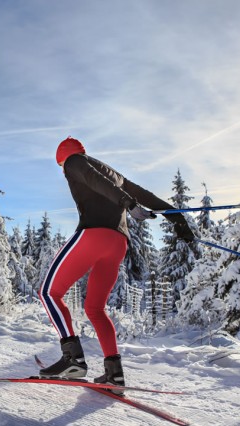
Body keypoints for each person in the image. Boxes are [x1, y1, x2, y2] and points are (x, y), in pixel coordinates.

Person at [38, 137, 195, 392]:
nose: (64, 171)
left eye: (61, 167)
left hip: (93, 236)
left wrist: (129, 204)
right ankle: (114, 373)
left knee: (49, 293)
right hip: (118, 244)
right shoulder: (114, 174)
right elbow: (146, 195)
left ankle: (72, 359)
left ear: (63, 159)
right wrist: (177, 219)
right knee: (95, 308)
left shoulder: (74, 162)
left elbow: (92, 180)